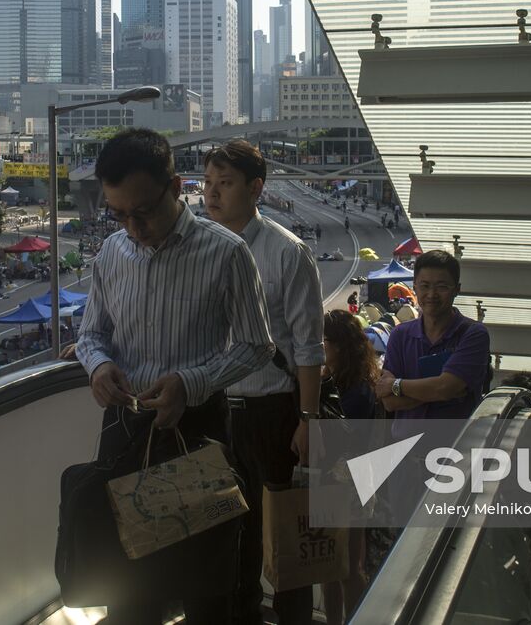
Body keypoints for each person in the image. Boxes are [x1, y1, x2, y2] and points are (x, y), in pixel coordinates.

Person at [73, 128, 274, 624]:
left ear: (176, 186)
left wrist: (192, 381)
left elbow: (258, 345)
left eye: (143, 211)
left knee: (206, 586)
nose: (133, 226)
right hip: (124, 432)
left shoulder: (226, 253)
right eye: (119, 214)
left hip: (197, 431)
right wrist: (97, 365)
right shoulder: (111, 255)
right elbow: (89, 335)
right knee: (128, 589)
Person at [203, 140, 323, 625]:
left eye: (224, 183)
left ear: (256, 188)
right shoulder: (197, 247)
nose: (211, 194)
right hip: (212, 414)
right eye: (207, 183)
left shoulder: (286, 253)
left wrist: (307, 420)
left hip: (272, 414)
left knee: (286, 540)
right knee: (229, 540)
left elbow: (309, 346)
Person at [374, 250, 490, 438]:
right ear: (415, 288)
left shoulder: (473, 334)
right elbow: (389, 402)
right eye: (425, 286)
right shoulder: (400, 335)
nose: (431, 294)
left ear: (457, 289)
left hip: (455, 456)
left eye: (442, 287)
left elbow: (444, 388)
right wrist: (439, 391)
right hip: (404, 455)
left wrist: (396, 385)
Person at [320, 309, 380, 625]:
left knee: (345, 568)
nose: (320, 347)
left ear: (339, 346)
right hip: (344, 483)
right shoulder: (347, 381)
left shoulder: (352, 391)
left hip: (348, 483)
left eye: (324, 341)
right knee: (333, 567)